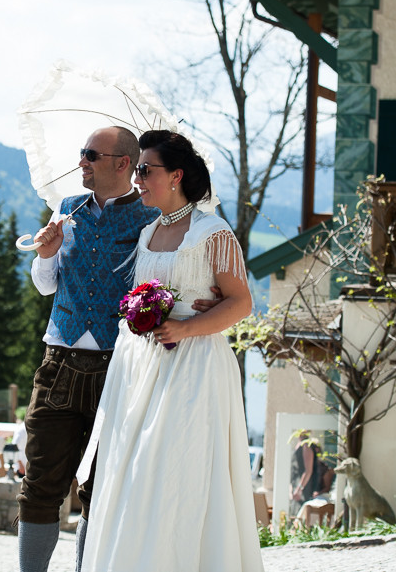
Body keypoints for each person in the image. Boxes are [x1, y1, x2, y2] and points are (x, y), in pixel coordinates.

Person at [80, 130, 264, 571]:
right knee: (133, 475)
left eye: (145, 170)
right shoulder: (148, 233)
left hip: (193, 369)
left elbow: (242, 303)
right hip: (140, 368)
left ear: (176, 175)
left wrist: (188, 327)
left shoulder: (211, 231)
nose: (137, 178)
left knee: (175, 474)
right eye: (137, 170)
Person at [17, 126, 160, 572]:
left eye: (90, 154)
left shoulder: (151, 218)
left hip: (118, 366)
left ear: (122, 164)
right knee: (40, 483)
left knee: (102, 489)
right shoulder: (65, 209)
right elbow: (46, 287)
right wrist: (46, 254)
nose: (81, 160)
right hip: (59, 362)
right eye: (82, 152)